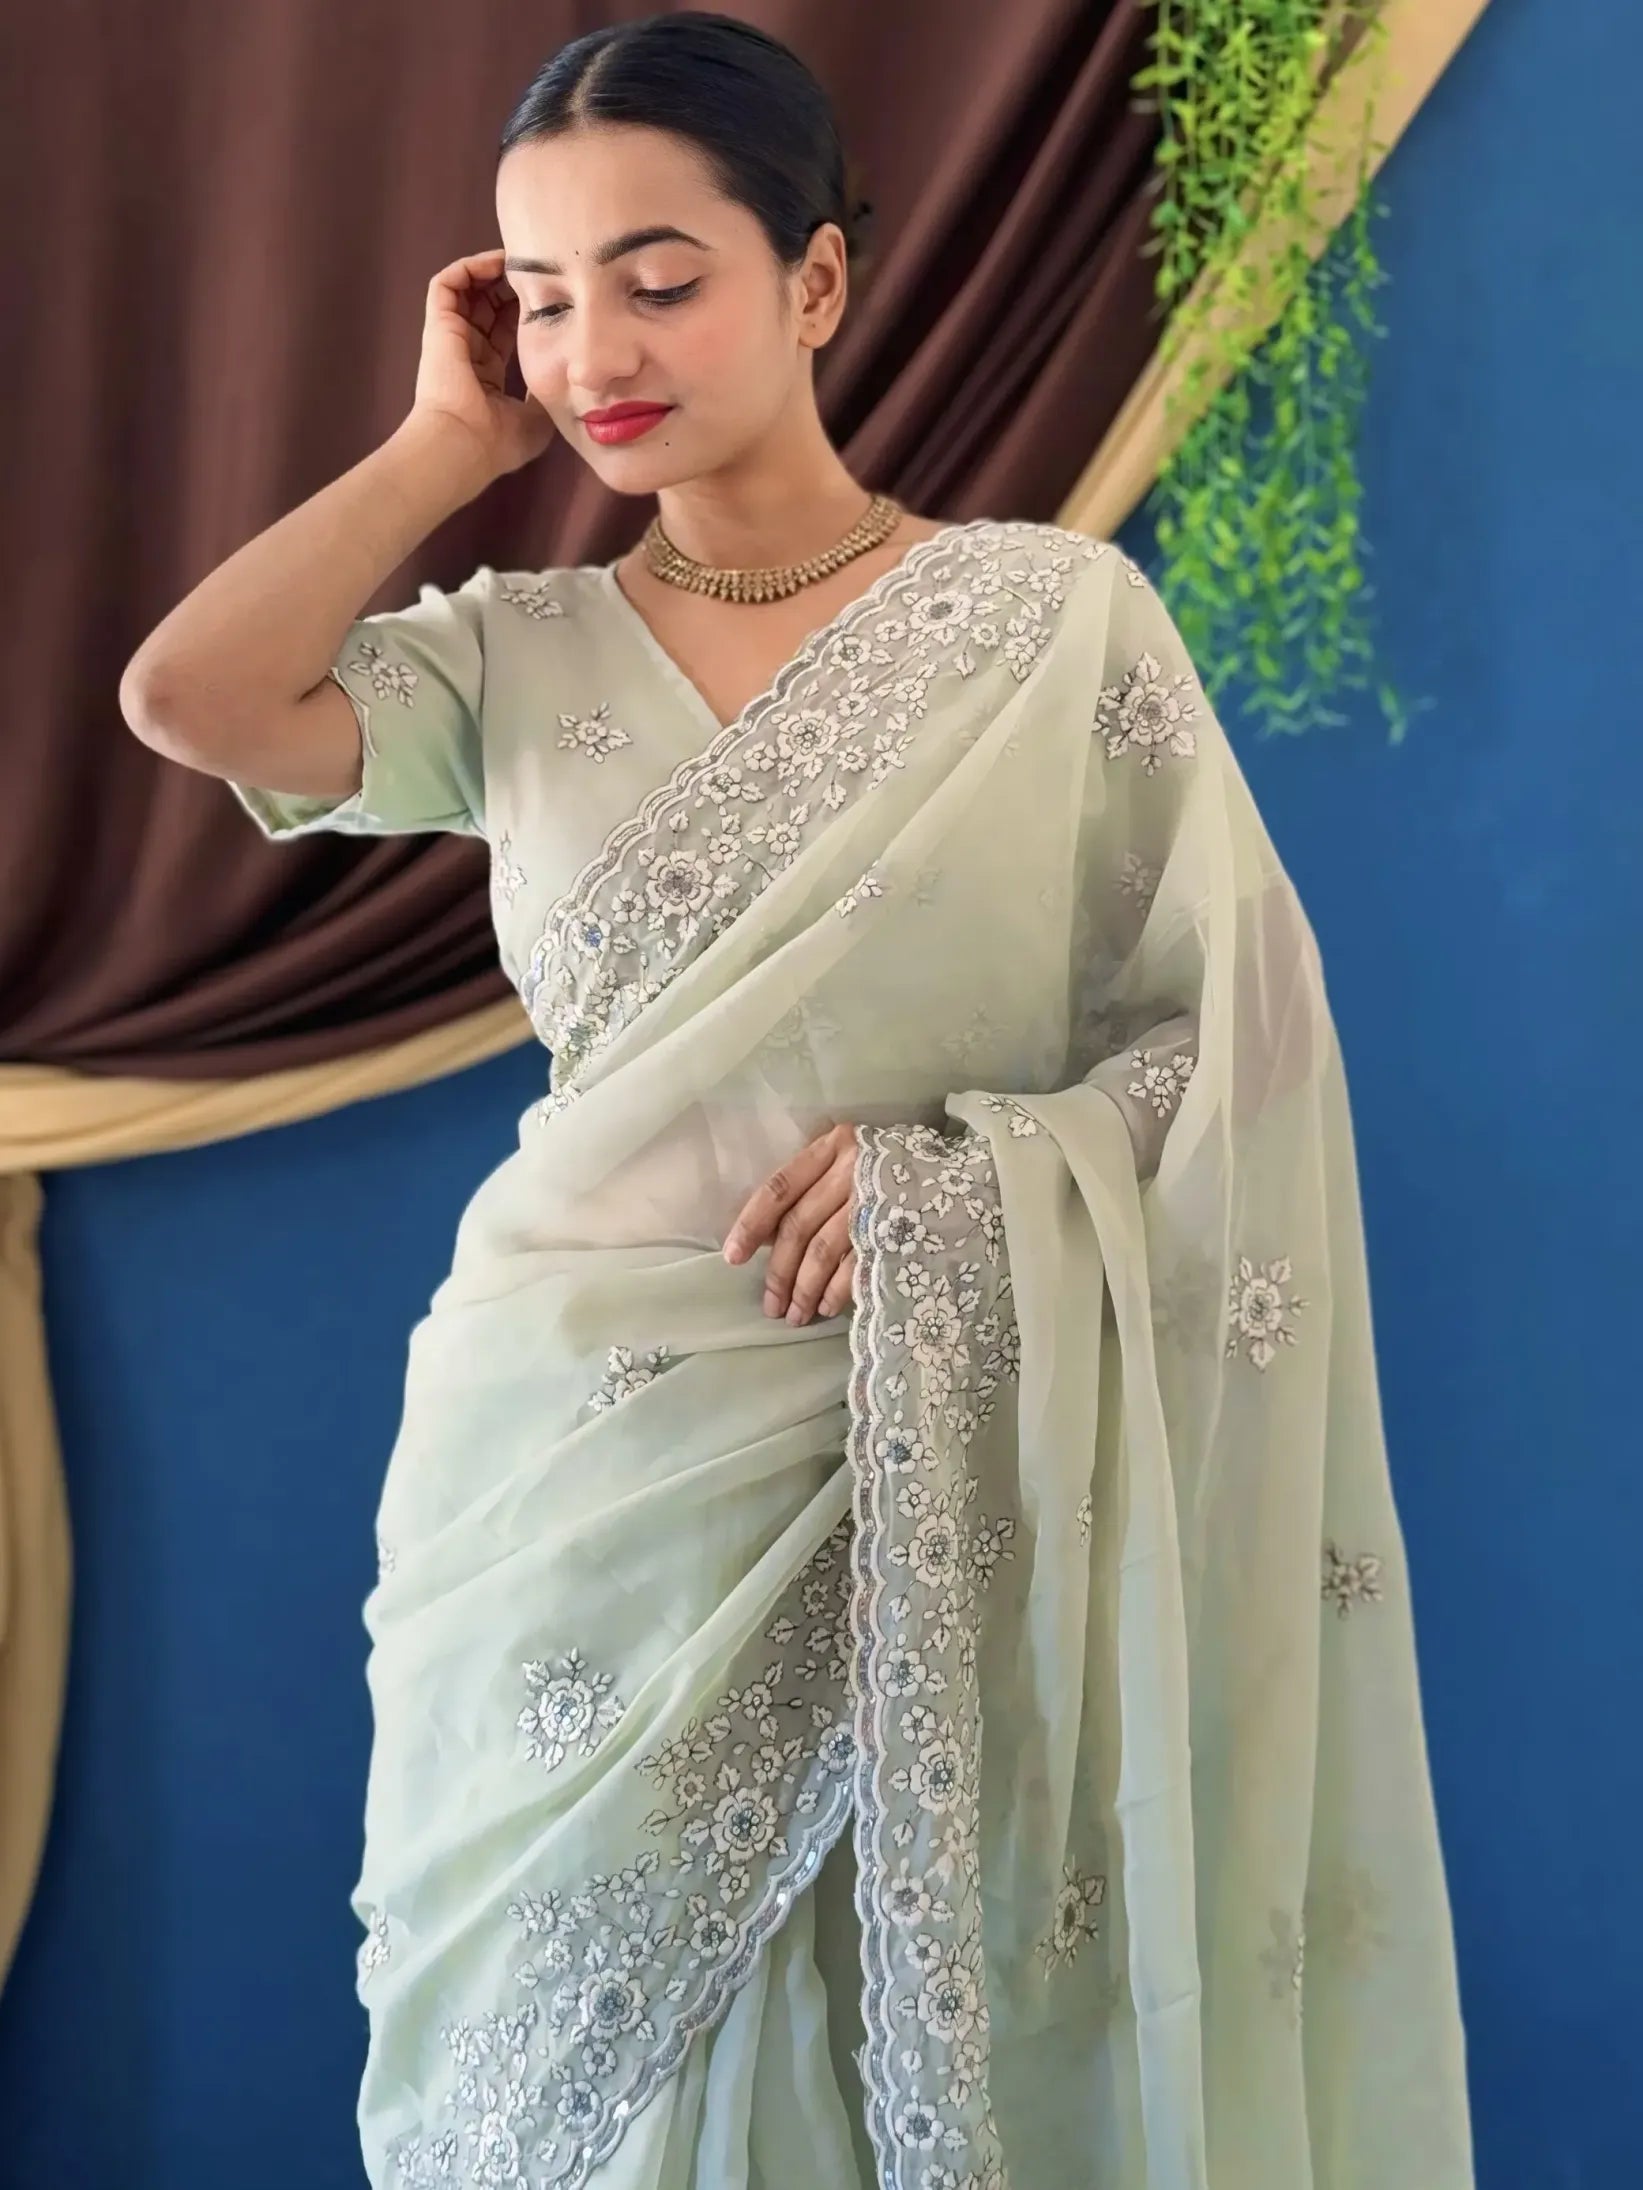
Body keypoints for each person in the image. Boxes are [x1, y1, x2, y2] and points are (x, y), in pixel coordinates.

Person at [119, 13, 1475, 2188]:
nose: (596, 349)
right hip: (568, 1481)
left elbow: (1235, 1050)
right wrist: (433, 452)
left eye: (661, 277)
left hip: (933, 1444)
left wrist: (967, 1184)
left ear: (816, 282)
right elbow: (189, 698)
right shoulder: (513, 653)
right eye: (544, 297)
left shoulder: (1045, 629)